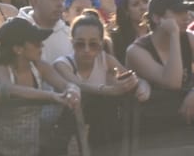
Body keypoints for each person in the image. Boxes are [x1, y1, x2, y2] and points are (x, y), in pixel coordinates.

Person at [125, 0, 194, 137]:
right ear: (157, 18)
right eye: (178, 12)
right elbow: (173, 82)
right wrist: (173, 34)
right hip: (151, 131)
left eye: (186, 11)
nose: (185, 17)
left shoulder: (189, 38)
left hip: (186, 120)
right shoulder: (136, 50)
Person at [53, 9, 149, 150]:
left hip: (97, 131)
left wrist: (142, 87)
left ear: (101, 43)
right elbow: (78, 85)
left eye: (93, 44)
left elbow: (133, 77)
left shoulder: (105, 59)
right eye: (80, 44)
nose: (86, 50)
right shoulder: (61, 64)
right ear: (72, 42)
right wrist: (111, 90)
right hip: (66, 132)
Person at [0, 17, 81, 156]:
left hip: (30, 148)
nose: (42, 46)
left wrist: (72, 91)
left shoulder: (40, 66)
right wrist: (51, 96)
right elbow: (10, 89)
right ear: (18, 49)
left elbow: (65, 84)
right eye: (36, 43)